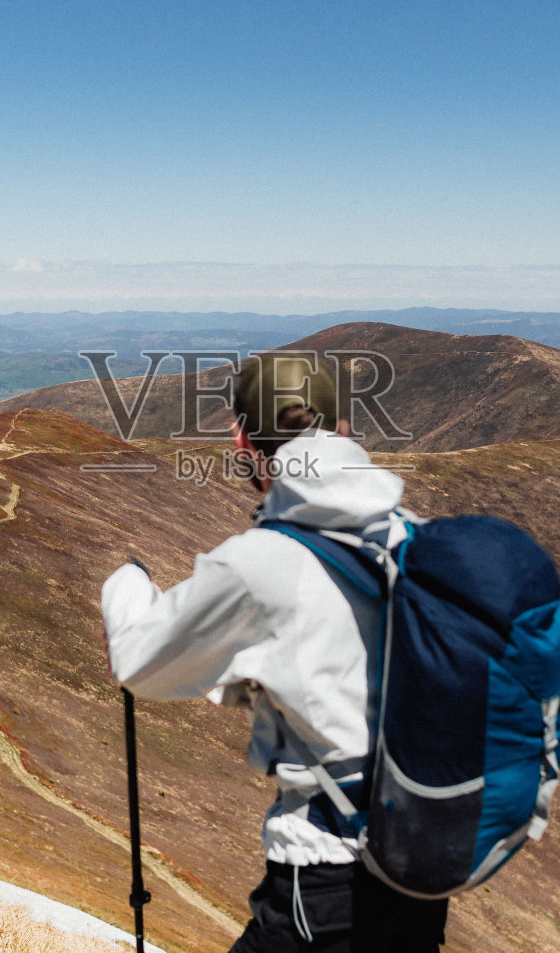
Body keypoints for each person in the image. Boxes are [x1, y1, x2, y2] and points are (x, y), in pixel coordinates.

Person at [100, 353, 449, 952]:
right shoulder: (410, 534)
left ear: (243, 439)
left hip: (325, 875)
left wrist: (125, 584)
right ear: (343, 429)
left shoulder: (262, 561)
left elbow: (139, 663)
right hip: (420, 863)